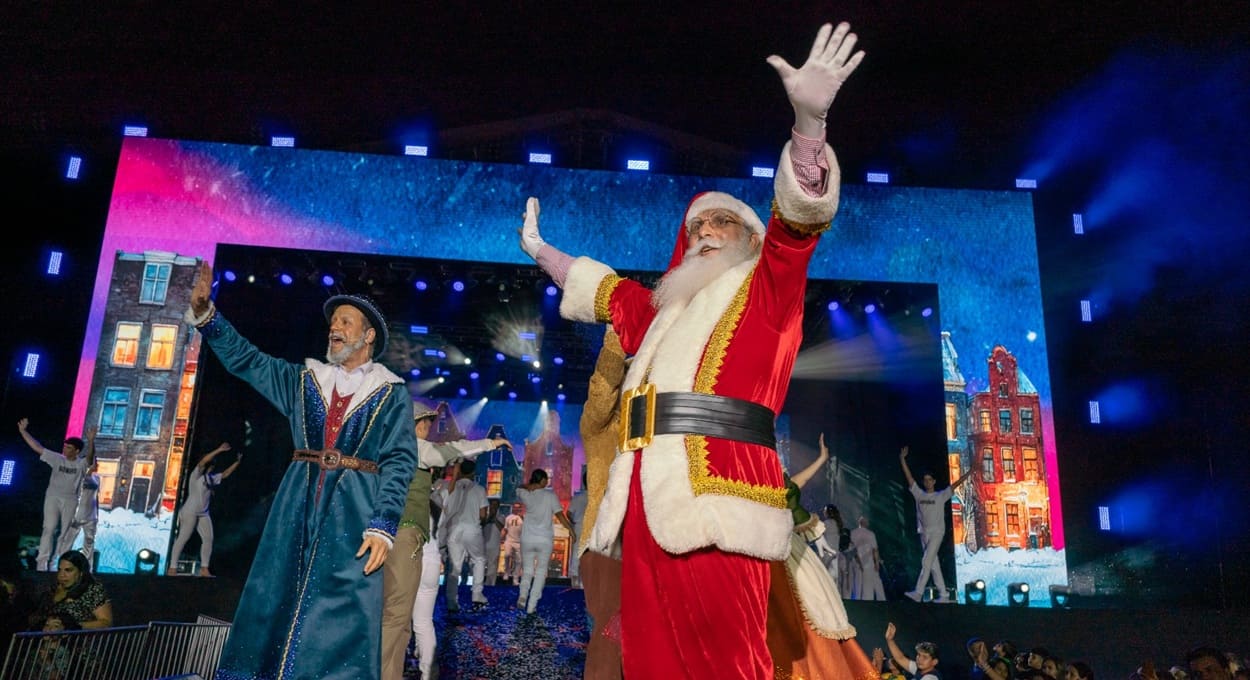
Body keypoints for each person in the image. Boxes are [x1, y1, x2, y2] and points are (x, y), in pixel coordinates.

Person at [517, 20, 863, 677]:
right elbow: (608, 291)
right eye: (697, 224)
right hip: (646, 501)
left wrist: (809, 130)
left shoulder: (767, 292)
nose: (706, 229)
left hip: (722, 497)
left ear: (747, 235)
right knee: (649, 660)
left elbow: (797, 230)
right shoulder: (663, 314)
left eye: (722, 221)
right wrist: (542, 252)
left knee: (729, 660)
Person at [185, 262, 419, 680]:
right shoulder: (304, 379)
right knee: (276, 592)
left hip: (353, 509)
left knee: (342, 605)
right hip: (297, 500)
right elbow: (247, 360)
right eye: (333, 321)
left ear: (368, 336)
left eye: (346, 321)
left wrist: (383, 523)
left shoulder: (391, 393)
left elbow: (400, 459)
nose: (335, 327)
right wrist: (208, 317)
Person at [381, 404, 507, 680]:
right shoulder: (415, 448)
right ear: (414, 425)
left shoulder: (386, 451)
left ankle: (395, 669)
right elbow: (453, 450)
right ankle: (421, 672)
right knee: (410, 621)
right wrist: (490, 443)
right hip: (415, 548)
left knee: (395, 618)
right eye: (425, 424)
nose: (428, 430)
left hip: (397, 543)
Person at [767, 434, 876, 680]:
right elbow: (789, 493)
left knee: (813, 599)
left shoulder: (775, 474)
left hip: (785, 543)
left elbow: (793, 487)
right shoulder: (757, 470)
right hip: (768, 542)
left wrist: (822, 458)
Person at [576, 326, 628, 679]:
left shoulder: (655, 434)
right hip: (605, 545)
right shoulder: (599, 432)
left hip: (648, 546)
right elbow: (602, 389)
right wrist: (617, 338)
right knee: (609, 638)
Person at [17, 419, 94, 572]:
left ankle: (56, 562)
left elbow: (90, 458)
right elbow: (37, 447)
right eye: (65, 447)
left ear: (76, 451)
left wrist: (91, 440)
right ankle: (42, 562)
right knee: (49, 528)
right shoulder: (57, 458)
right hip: (53, 497)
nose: (65, 449)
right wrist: (23, 431)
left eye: (69, 448)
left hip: (71, 499)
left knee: (64, 532)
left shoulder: (80, 464)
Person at [899, 445, 973, 603]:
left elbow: (955, 484)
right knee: (933, 565)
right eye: (925, 480)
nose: (927, 482)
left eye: (929, 479)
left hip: (937, 532)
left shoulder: (941, 495)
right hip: (924, 533)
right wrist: (902, 460)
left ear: (934, 481)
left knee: (926, 561)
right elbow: (909, 478)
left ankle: (918, 593)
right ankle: (944, 595)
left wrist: (968, 473)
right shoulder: (919, 494)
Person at [167, 442, 240, 577]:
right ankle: (172, 568)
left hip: (203, 513)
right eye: (210, 463)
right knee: (183, 537)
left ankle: (204, 569)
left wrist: (237, 463)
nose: (211, 466)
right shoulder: (197, 475)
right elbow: (203, 461)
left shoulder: (211, 478)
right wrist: (219, 449)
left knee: (208, 538)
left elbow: (225, 474)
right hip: (190, 512)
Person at [514, 468, 572, 614]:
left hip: (527, 538)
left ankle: (522, 595)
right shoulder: (550, 496)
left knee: (527, 570)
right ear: (542, 481)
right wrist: (570, 530)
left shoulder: (527, 494)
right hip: (544, 539)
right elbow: (560, 515)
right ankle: (531, 605)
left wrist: (530, 486)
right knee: (540, 572)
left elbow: (519, 488)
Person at [438, 459, 490, 614]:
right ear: (474, 472)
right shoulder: (480, 490)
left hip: (454, 530)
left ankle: (452, 602)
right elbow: (482, 515)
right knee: (479, 560)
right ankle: (476, 595)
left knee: (455, 567)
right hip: (472, 529)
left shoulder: (450, 487)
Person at [30, 550, 112, 631]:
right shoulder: (52, 589)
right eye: (59, 570)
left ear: (81, 572)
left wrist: (72, 627)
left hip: (77, 641)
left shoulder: (92, 590)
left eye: (68, 570)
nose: (62, 575)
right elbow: (34, 617)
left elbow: (106, 622)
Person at [55, 433, 101, 568]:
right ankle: (61, 564)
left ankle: (88, 568)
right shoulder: (78, 475)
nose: (96, 465)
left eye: (96, 464)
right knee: (68, 540)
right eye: (94, 463)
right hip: (76, 515)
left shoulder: (97, 479)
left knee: (89, 542)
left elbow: (96, 497)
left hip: (91, 516)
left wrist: (97, 514)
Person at [850, 515, 885, 600]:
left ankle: (857, 600)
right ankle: (868, 601)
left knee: (857, 583)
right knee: (868, 585)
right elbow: (875, 550)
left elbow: (852, 549)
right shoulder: (870, 534)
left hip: (856, 562)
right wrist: (877, 563)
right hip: (868, 563)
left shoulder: (853, 533)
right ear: (866, 523)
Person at [565, 471, 589, 588]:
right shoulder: (598, 497)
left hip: (579, 526)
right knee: (589, 554)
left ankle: (574, 580)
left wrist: (573, 522)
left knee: (576, 553)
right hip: (592, 528)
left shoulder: (578, 497)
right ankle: (585, 581)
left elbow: (568, 513)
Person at [482, 498, 504, 586]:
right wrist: (488, 517)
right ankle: (480, 584)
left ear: (498, 506)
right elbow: (481, 526)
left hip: (494, 546)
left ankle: (490, 585)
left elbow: (500, 527)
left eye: (495, 505)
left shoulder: (501, 517)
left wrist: (494, 517)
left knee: (493, 567)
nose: (493, 506)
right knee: (481, 566)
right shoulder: (485, 516)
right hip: (484, 545)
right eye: (492, 505)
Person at [501, 509, 523, 583]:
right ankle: (507, 571)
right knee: (507, 555)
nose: (517, 509)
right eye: (515, 507)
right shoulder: (508, 517)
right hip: (509, 540)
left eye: (518, 507)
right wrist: (501, 538)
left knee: (519, 560)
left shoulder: (523, 518)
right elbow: (505, 529)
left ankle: (515, 577)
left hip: (518, 542)